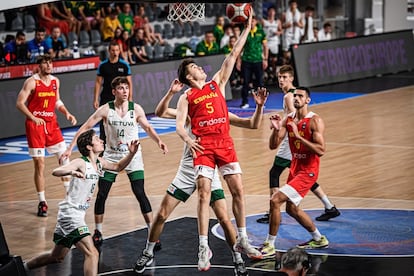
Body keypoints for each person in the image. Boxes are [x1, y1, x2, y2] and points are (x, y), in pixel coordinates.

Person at [133, 80, 268, 274]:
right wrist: (171, 93)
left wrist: (259, 107)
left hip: (209, 168)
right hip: (188, 169)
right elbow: (161, 111)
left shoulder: (220, 116)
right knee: (162, 213)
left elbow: (252, 124)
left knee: (223, 218)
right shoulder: (189, 113)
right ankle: (148, 251)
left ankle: (237, 259)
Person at [175, 9, 262, 271]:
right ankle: (203, 247)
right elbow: (179, 125)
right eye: (195, 67)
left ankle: (243, 240)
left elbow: (233, 53)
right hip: (203, 147)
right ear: (190, 76)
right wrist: (188, 139)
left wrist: (247, 28)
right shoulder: (186, 97)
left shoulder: (216, 84)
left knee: (238, 190)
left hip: (225, 143)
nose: (200, 68)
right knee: (203, 195)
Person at [62, 76, 168, 251]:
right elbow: (86, 126)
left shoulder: (136, 109)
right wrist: (70, 147)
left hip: (133, 155)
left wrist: (159, 141)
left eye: (126, 88)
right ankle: (98, 231)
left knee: (140, 192)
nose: (125, 91)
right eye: (121, 88)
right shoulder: (106, 109)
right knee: (102, 193)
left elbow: (148, 128)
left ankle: (152, 233)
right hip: (110, 156)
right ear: (114, 92)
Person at [24, 129, 140, 276]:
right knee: (92, 254)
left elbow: (117, 167)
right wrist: (71, 172)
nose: (102, 141)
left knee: (57, 257)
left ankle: (21, 268)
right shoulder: (80, 162)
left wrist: (131, 153)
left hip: (76, 214)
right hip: (71, 215)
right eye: (97, 139)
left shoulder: (99, 162)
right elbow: (56, 171)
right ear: (89, 147)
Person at [257, 65, 340, 226]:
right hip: (292, 138)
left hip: (291, 140)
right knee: (302, 175)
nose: (281, 80)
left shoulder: (290, 96)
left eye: (284, 77)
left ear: (291, 78)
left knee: (276, 173)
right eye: (279, 77)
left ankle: (273, 211)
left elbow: (292, 118)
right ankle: (329, 206)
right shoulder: (292, 94)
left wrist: (282, 129)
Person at [260, 87, 330, 258]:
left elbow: (321, 150)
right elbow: (273, 145)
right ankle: (319, 238)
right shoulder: (288, 119)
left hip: (308, 172)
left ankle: (269, 244)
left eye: (300, 96)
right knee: (292, 209)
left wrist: (298, 137)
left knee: (275, 200)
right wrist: (276, 129)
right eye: (295, 96)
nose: (296, 98)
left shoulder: (315, 121)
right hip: (295, 170)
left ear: (307, 100)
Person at [15, 54, 77, 217]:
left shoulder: (56, 81)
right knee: (40, 164)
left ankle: (70, 197)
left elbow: (57, 101)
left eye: (50, 62)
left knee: (64, 159)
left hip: (52, 124)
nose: (49, 65)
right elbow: (19, 103)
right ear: (39, 66)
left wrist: (67, 113)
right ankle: (42, 202)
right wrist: (33, 117)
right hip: (35, 126)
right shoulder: (31, 82)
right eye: (45, 63)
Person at [93, 40, 133, 143]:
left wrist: (130, 98)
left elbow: (129, 83)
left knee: (122, 122)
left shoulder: (124, 65)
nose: (114, 52)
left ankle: (122, 143)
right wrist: (96, 99)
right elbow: (98, 82)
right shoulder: (103, 65)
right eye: (112, 50)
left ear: (119, 51)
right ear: (109, 51)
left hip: (121, 99)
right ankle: (103, 147)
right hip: (106, 98)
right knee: (104, 123)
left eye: (116, 50)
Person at [238, 15, 268, 108]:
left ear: (256, 22)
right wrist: (238, 61)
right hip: (246, 60)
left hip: (258, 60)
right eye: (249, 22)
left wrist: (265, 59)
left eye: (253, 21)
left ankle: (261, 102)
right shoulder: (244, 32)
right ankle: (244, 102)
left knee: (260, 82)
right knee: (245, 82)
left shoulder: (261, 32)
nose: (251, 23)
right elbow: (240, 47)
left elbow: (265, 46)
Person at [262, 6, 282, 84]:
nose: (271, 13)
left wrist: (278, 33)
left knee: (274, 60)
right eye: (270, 11)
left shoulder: (277, 22)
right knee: (265, 59)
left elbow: (281, 30)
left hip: (274, 42)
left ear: (275, 12)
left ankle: (273, 74)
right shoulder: (264, 21)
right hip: (266, 42)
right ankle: (267, 74)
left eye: (273, 11)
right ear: (268, 12)